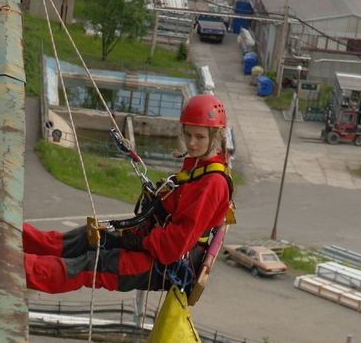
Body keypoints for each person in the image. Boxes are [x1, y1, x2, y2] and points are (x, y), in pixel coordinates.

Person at [22, 94, 233, 294]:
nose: (192, 143)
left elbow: (174, 246)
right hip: (153, 239)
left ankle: (14, 269)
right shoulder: (198, 167)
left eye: (200, 137)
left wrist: (141, 241)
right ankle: (16, 235)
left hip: (163, 265)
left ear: (215, 137)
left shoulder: (212, 184)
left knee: (90, 265)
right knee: (87, 237)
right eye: (187, 134)